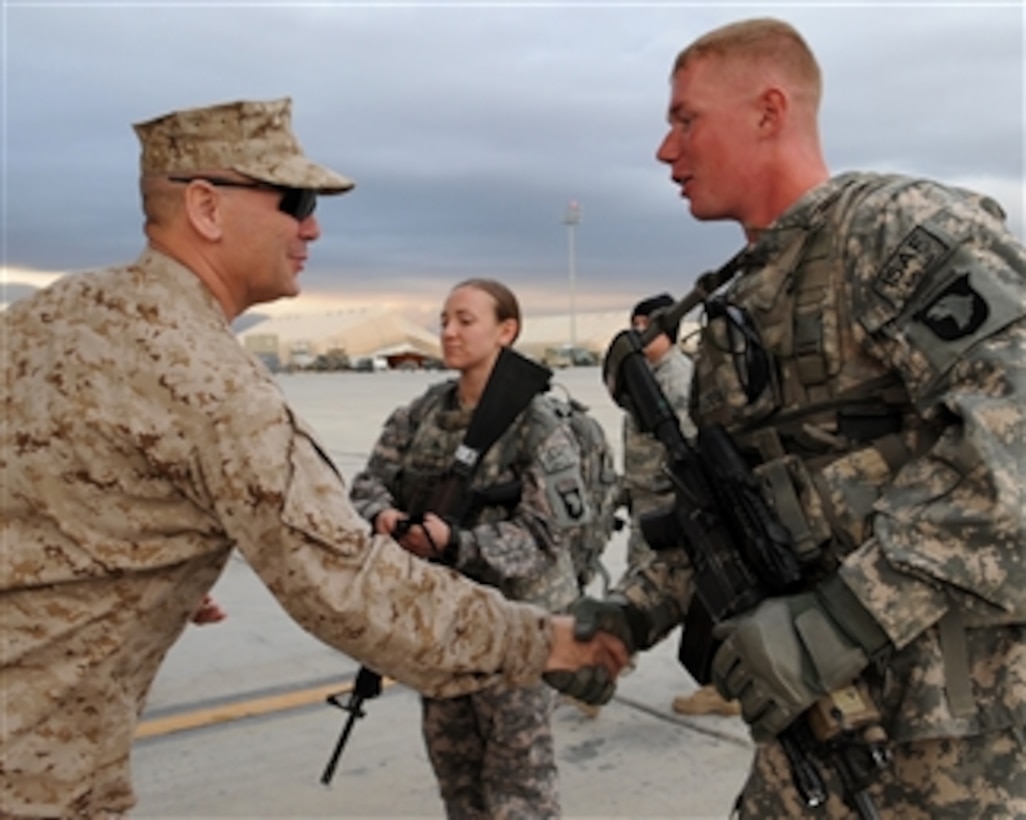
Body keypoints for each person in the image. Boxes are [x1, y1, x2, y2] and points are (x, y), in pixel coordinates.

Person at [0, 98, 628, 818]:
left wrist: (133, 560)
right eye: (293, 201)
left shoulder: (50, 315)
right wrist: (542, 641)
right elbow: (348, 585)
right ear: (206, 207)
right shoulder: (212, 383)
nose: (313, 227)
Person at [570, 18, 1026, 818]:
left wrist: (839, 621)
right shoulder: (738, 303)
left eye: (684, 119)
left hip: (957, 751)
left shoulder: (892, 232)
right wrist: (627, 615)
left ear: (769, 111)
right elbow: (729, 518)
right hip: (815, 739)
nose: (664, 151)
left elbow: (1014, 428)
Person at [349, 278, 586, 820]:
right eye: (444, 320)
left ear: (507, 331)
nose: (449, 332)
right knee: (457, 779)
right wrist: (384, 516)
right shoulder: (421, 414)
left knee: (518, 789)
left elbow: (545, 537)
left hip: (517, 631)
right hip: (444, 624)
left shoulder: (538, 425)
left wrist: (458, 543)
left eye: (465, 320)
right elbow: (366, 485)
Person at [619, 294, 739, 720]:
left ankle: (604, 669)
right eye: (633, 325)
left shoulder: (678, 380)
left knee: (651, 592)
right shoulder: (645, 377)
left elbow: (691, 450)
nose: (636, 333)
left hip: (670, 508)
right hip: (647, 502)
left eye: (643, 326)